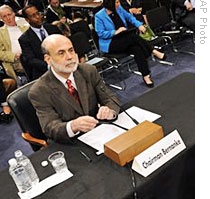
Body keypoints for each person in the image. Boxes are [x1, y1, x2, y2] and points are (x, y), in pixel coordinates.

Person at [28, 34, 120, 144]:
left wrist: (110, 110)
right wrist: (73, 126)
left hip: (99, 132)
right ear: (48, 59)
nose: (70, 57)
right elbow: (50, 127)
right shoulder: (39, 91)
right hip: (70, 142)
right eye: (61, 53)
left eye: (71, 50)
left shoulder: (88, 71)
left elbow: (110, 98)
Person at [94, 0, 165, 87]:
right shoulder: (99, 16)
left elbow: (130, 18)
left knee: (137, 49)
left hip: (125, 39)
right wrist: (115, 32)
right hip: (111, 43)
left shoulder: (119, 8)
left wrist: (139, 25)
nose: (118, 4)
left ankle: (146, 76)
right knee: (133, 37)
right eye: (116, 2)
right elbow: (100, 33)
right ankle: (153, 50)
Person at [18, 5, 61, 81]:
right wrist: (50, 66)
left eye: (38, 13)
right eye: (33, 16)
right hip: (43, 71)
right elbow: (31, 60)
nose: (38, 17)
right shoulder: (24, 39)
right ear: (27, 20)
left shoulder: (52, 28)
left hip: (61, 62)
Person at [0, 5, 29, 84]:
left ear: (14, 14)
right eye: (4, 16)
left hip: (31, 57)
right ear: (1, 19)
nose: (8, 18)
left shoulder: (24, 24)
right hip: (16, 63)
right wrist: (14, 56)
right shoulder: (1, 33)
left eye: (9, 14)